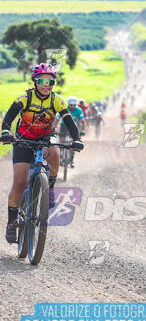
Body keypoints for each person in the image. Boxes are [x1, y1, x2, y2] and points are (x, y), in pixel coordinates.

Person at [0, 63, 84, 243]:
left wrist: (77, 139)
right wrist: (6, 133)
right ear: (35, 81)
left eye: (51, 81)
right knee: (20, 182)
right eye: (43, 80)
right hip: (23, 140)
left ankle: (50, 188)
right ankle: (11, 223)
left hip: (45, 138)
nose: (47, 84)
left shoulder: (57, 100)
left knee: (54, 151)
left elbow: (69, 122)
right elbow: (8, 119)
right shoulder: (25, 98)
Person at [54, 96, 86, 168]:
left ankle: (71, 160)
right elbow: (57, 119)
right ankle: (61, 156)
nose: (72, 107)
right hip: (63, 126)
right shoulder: (64, 109)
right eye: (71, 105)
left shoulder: (79, 110)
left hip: (73, 127)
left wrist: (83, 130)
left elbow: (83, 121)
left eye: (74, 105)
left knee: (74, 143)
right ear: (68, 104)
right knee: (61, 142)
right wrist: (54, 128)